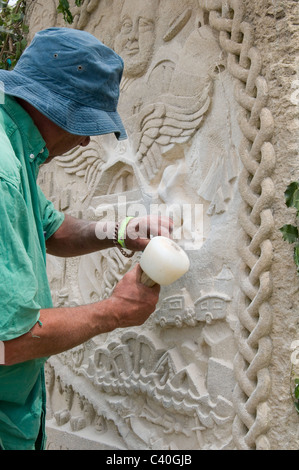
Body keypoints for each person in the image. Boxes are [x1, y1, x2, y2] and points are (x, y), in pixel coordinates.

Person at [0, 27, 172, 450]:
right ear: (56, 107)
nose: (83, 140)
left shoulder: (16, 147)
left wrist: (120, 232)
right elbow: (10, 340)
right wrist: (113, 311)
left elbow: (53, 230)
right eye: (85, 125)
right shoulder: (3, 171)